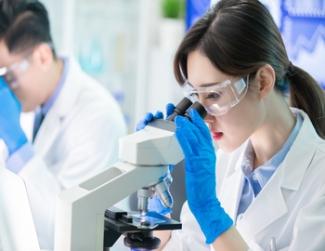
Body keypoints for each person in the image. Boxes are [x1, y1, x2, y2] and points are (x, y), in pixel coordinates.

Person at [138, 0, 325, 250]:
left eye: (213, 95)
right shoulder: (224, 163)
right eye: (196, 98)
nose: (203, 116)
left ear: (263, 82)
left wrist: (210, 213)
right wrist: (155, 199)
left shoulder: (318, 181)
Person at [0, 1, 126, 249]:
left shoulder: (98, 118)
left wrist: (17, 144)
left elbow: (69, 229)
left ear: (43, 57)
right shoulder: (34, 101)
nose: (5, 86)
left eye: (7, 74)